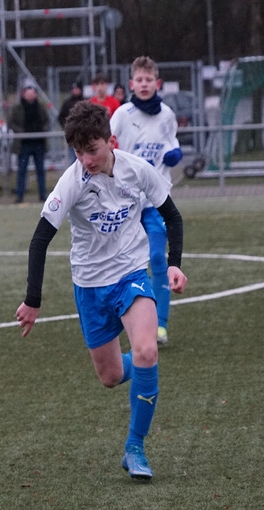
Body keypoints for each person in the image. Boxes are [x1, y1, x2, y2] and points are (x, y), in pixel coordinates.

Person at [15, 100, 186, 480]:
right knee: (110, 376)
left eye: (91, 150)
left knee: (146, 349)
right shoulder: (72, 181)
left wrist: (174, 263)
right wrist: (33, 299)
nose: (86, 160)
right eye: (78, 152)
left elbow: (172, 217)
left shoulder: (137, 170)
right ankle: (142, 366)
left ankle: (135, 447)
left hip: (130, 274)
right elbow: (39, 240)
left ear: (111, 141)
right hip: (90, 285)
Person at [110, 56, 184, 346]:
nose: (144, 84)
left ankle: (160, 324)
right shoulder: (122, 114)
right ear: (131, 84)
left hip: (156, 200)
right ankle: (122, 319)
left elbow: (172, 142)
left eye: (148, 80)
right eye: (139, 80)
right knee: (121, 263)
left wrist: (175, 154)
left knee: (156, 258)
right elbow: (107, 143)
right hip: (126, 200)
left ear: (157, 83)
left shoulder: (166, 115)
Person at [7, 85, 50, 203]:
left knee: (40, 170)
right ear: (24, 94)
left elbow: (47, 121)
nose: (31, 96)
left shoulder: (40, 108)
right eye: (28, 93)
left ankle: (42, 194)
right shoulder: (17, 108)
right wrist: (21, 132)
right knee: (22, 170)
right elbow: (11, 123)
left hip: (38, 144)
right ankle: (19, 195)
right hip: (24, 144)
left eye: (33, 93)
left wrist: (43, 130)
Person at [57, 82, 84, 164]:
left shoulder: (85, 102)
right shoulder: (67, 103)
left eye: (77, 88)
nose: (75, 90)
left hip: (84, 135)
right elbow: (61, 117)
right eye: (74, 89)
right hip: (72, 136)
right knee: (73, 160)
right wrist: (67, 127)